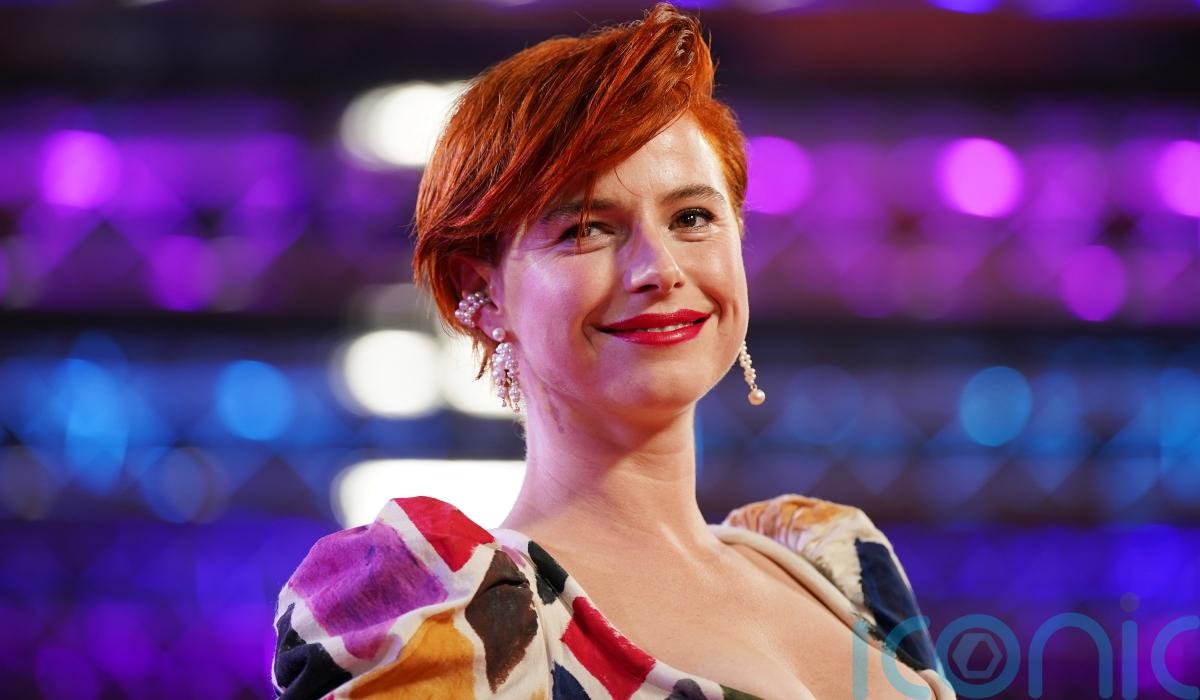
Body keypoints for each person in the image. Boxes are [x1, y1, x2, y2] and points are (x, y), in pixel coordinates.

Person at [271, 4, 956, 699]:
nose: (660, 268)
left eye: (692, 217)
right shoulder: (455, 616)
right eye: (587, 229)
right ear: (483, 289)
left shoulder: (837, 568)